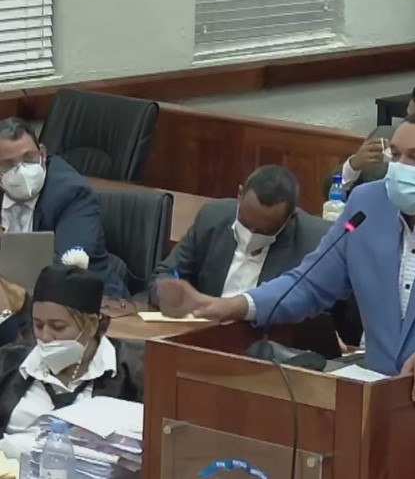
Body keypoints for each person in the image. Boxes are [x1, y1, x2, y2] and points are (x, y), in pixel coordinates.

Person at [157, 109, 415, 479]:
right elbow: (309, 283)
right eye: (396, 154)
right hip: (390, 414)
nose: (400, 167)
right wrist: (230, 305)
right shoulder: (367, 204)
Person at [152, 165, 362, 346]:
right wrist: (169, 295)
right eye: (245, 224)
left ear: (290, 218)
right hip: (200, 339)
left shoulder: (315, 242)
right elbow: (166, 274)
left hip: (267, 351)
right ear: (239, 194)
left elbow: (345, 322)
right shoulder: (213, 218)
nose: (251, 234)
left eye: (264, 231)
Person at [0, 250, 143, 458]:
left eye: (58, 327)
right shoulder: (8, 364)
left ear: (91, 325)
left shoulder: (134, 374)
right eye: (38, 325)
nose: (45, 336)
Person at [0, 117, 125, 298]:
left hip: (89, 303)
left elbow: (65, 270)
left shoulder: (73, 194)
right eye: (9, 164)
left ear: (43, 154)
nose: (22, 171)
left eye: (29, 158)